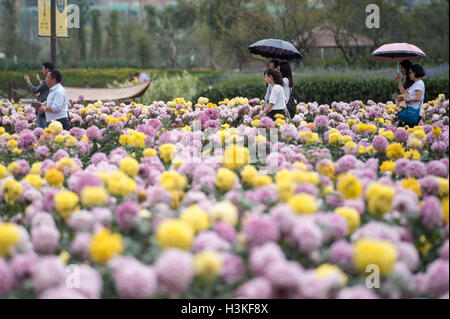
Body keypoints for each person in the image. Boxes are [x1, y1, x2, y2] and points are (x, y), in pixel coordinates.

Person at [24, 62, 54, 129]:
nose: (42, 70)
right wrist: (41, 94)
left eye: (43, 69)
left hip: (42, 110)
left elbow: (35, 90)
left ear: (47, 69)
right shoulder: (51, 80)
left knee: (42, 131)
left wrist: (28, 81)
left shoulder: (47, 80)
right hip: (45, 108)